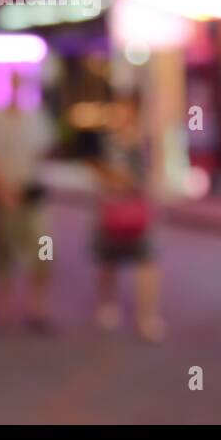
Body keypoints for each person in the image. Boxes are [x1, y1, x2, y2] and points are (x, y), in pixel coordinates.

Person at [82, 91, 164, 343]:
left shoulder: (143, 141)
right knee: (109, 261)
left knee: (147, 262)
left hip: (137, 209)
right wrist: (113, 180)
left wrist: (137, 185)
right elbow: (95, 168)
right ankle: (107, 305)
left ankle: (147, 316)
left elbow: (151, 175)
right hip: (111, 208)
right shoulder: (107, 140)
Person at [0, 72, 55, 329]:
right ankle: (4, 308)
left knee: (43, 251)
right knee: (3, 250)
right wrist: (1, 188)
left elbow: (44, 155)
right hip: (4, 194)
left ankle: (37, 306)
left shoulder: (37, 118)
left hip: (30, 193)